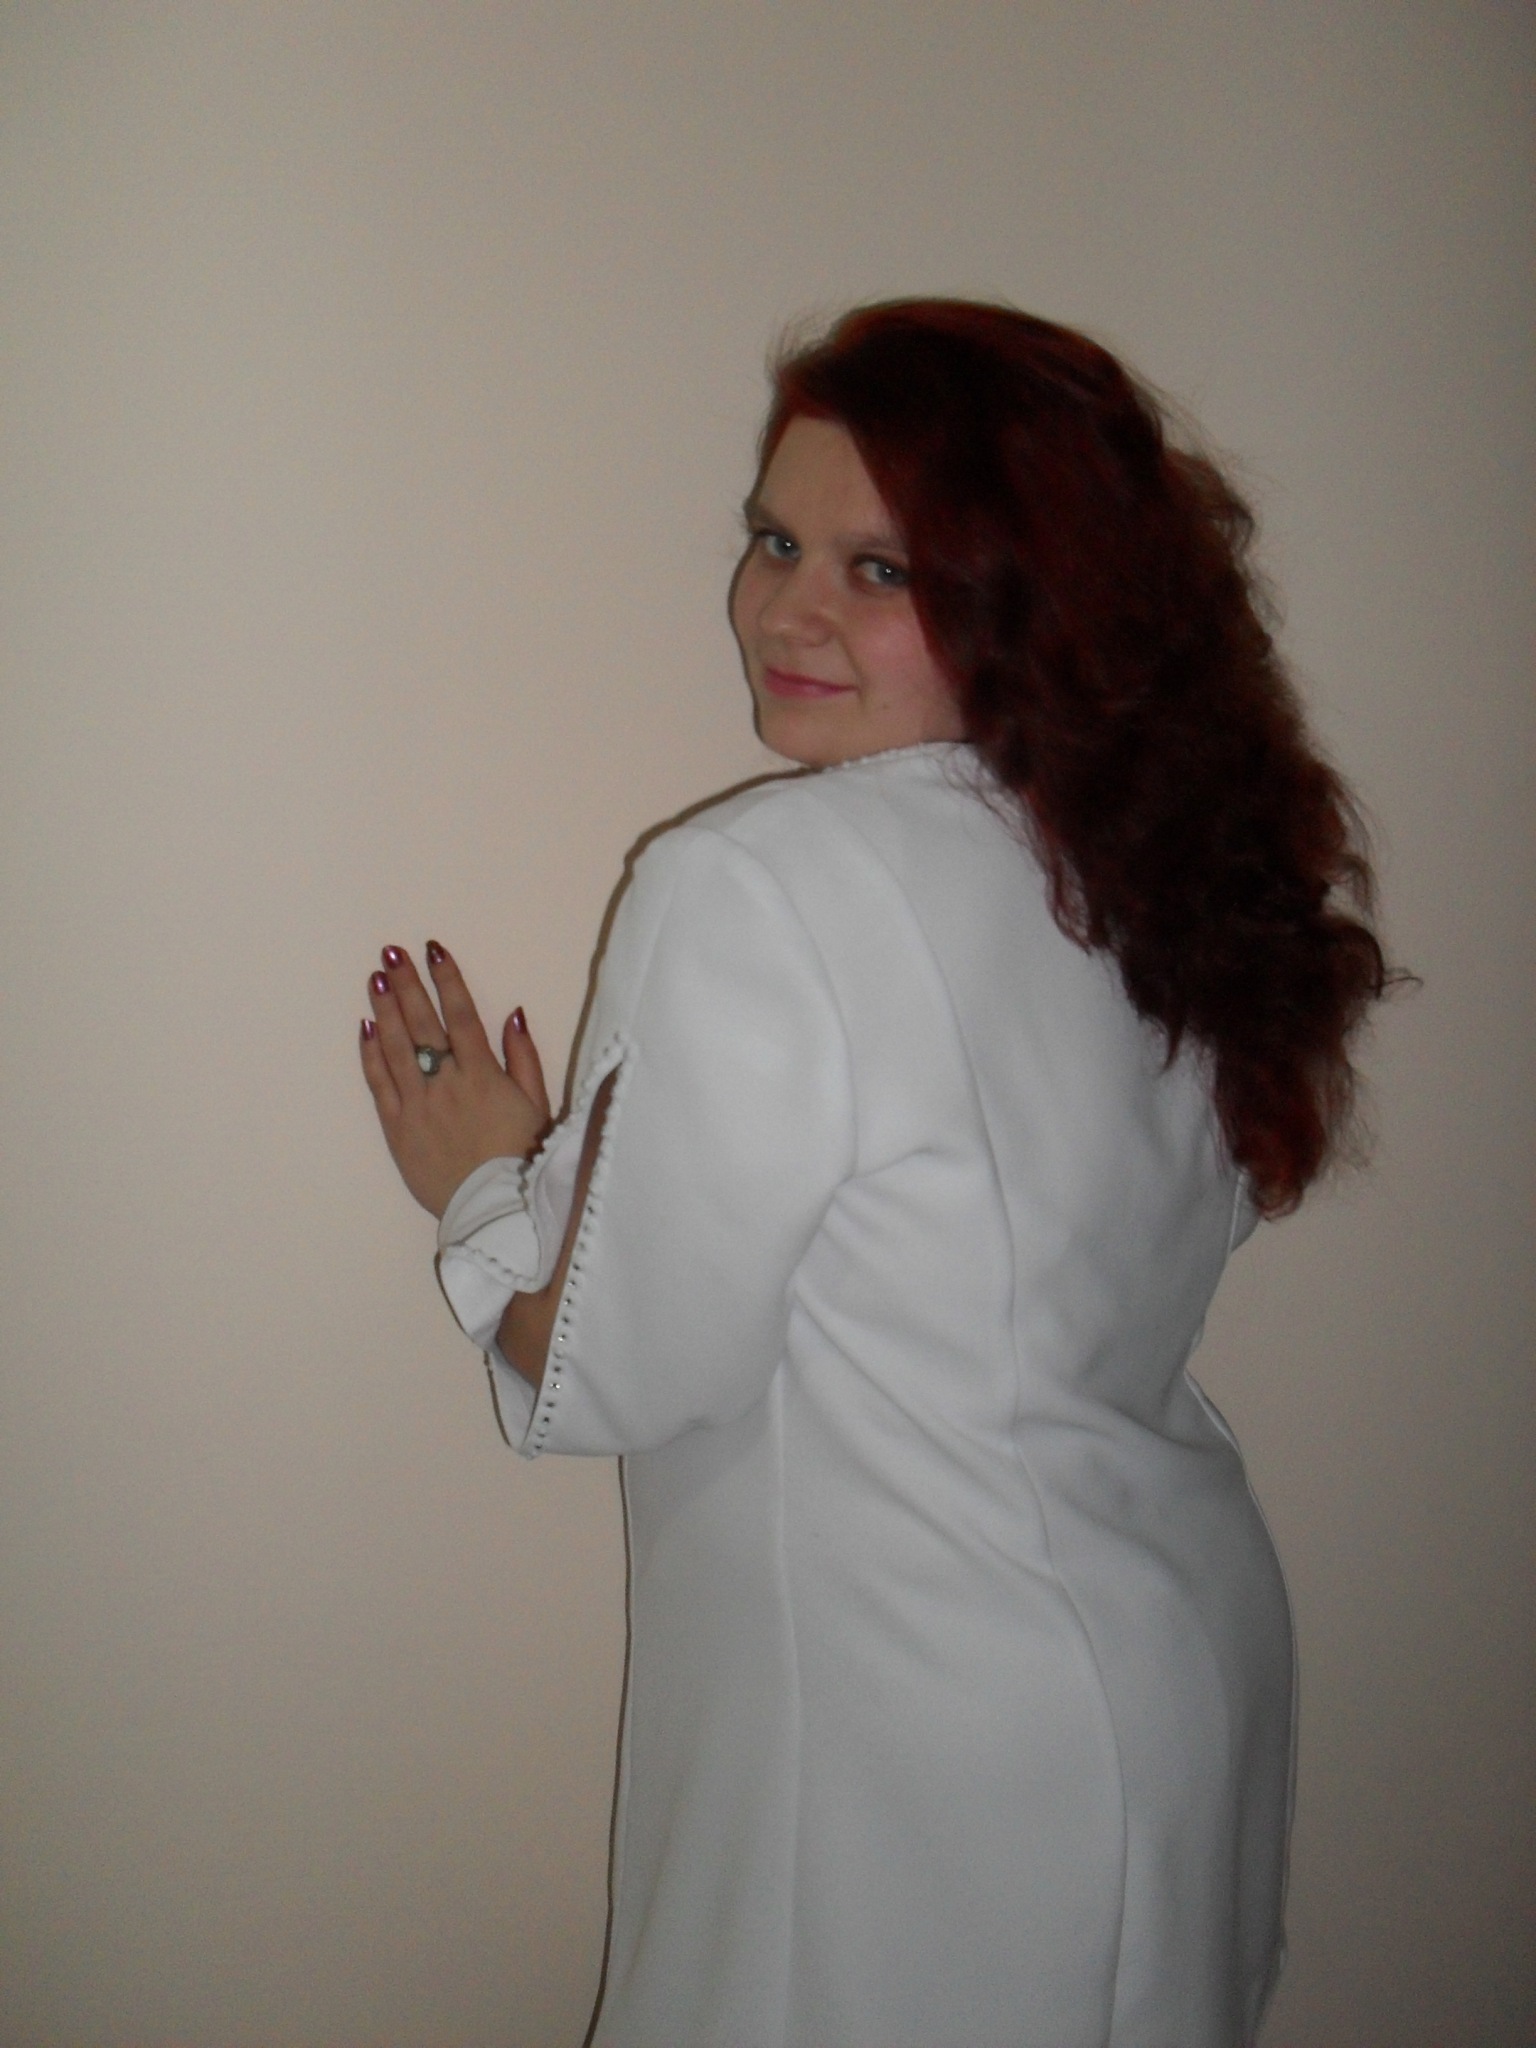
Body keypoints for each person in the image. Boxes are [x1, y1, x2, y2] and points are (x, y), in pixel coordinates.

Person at [359, 299, 1393, 2048]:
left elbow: (615, 1369)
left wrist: (484, 1188)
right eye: (773, 541)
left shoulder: (761, 885)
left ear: (1030, 598)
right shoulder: (1146, 871)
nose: (786, 610)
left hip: (917, 1758)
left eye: (881, 570)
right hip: (1176, 1683)